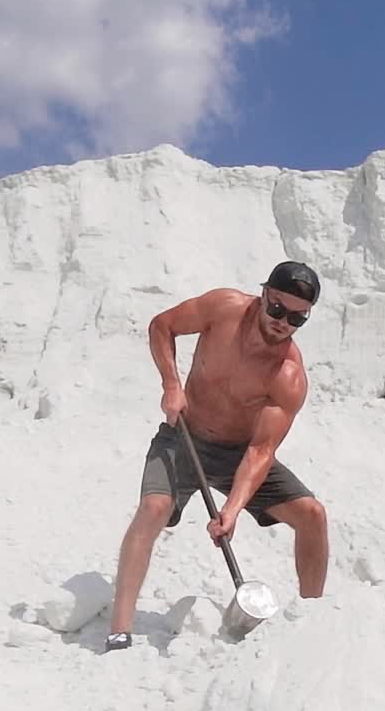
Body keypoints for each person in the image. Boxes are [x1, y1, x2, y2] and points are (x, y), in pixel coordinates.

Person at [105, 261, 329, 651]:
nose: (283, 322)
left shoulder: (288, 376)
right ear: (263, 295)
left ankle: (314, 623)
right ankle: (120, 630)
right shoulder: (224, 308)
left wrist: (233, 509)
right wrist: (172, 385)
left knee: (312, 515)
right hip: (183, 437)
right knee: (154, 507)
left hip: (237, 452)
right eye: (277, 309)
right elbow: (162, 325)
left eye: (297, 318)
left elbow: (261, 450)